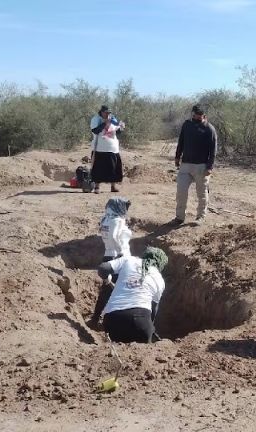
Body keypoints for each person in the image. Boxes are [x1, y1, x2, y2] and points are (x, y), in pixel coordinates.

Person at [95, 247, 168, 343]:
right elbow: (153, 310)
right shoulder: (160, 280)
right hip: (141, 323)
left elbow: (103, 268)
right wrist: (149, 328)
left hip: (113, 322)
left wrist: (108, 280)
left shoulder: (129, 260)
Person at [89, 197, 132, 326]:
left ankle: (96, 318)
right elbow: (114, 236)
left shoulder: (106, 219)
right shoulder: (117, 220)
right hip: (119, 258)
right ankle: (115, 321)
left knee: (107, 290)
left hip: (108, 256)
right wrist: (121, 252)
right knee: (121, 289)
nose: (126, 210)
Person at [172, 104, 218, 225]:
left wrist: (210, 167)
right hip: (185, 164)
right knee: (181, 191)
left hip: (201, 167)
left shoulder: (209, 129)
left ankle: (200, 217)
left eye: (199, 116)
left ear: (204, 116)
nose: (196, 118)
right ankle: (179, 217)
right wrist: (177, 157)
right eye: (194, 115)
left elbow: (213, 150)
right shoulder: (187, 125)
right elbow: (181, 141)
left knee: (202, 193)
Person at [90, 105, 126, 194]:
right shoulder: (96, 119)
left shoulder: (113, 119)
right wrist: (105, 123)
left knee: (114, 168)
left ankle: (113, 186)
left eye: (109, 113)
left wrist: (121, 127)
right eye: (106, 112)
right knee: (98, 168)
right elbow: (95, 131)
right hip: (100, 148)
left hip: (113, 148)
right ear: (101, 112)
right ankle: (97, 187)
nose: (107, 114)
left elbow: (117, 131)